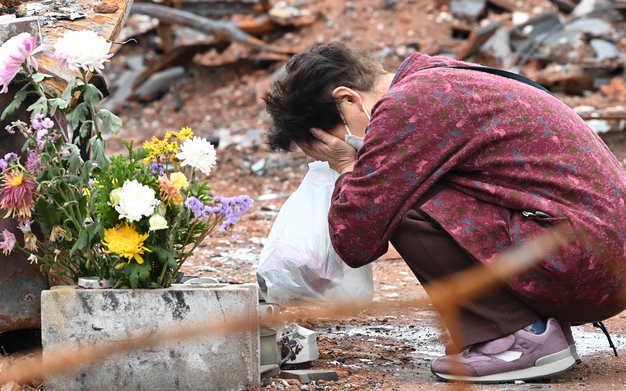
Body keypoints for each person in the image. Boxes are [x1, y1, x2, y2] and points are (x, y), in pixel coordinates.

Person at [263, 41, 626, 383]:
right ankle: (535, 328)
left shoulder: (409, 105)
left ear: (348, 100)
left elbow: (356, 236)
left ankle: (517, 339)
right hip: (599, 257)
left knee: (391, 198)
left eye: (337, 138)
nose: (355, 145)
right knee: (394, 182)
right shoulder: (440, 81)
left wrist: (346, 165)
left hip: (588, 268)